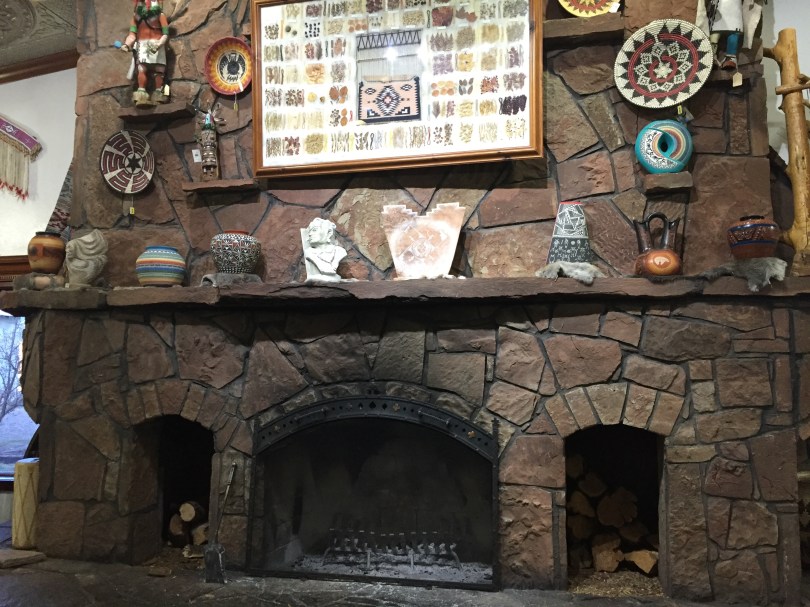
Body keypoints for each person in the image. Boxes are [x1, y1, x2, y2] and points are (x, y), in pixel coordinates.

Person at [120, 0, 170, 106]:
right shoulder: (136, 17)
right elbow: (132, 35)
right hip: (142, 45)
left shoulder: (160, 15)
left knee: (159, 70)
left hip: (157, 45)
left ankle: (158, 92)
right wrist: (126, 45)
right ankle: (141, 93)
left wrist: (159, 44)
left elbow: (165, 34)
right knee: (142, 69)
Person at [699, 0, 764, 71]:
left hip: (734, 8)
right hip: (719, 9)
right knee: (715, 33)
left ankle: (730, 58)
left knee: (732, 31)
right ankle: (711, 56)